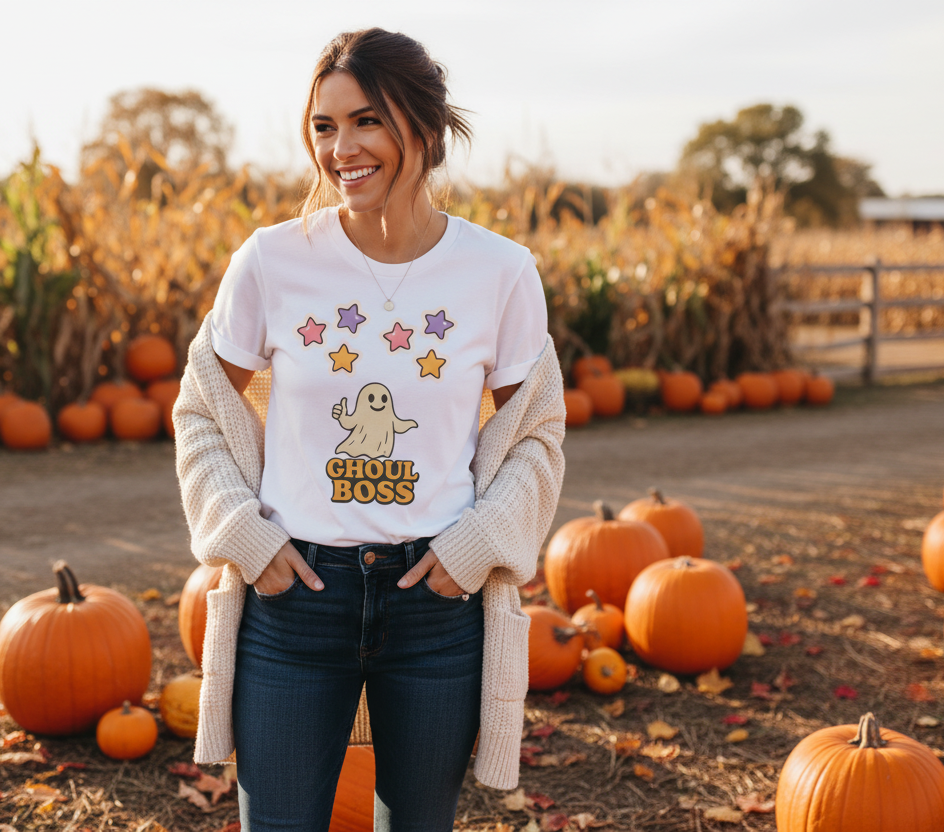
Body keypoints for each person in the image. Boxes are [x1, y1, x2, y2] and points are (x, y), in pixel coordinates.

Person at [172, 27, 566, 831]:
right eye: (324, 126)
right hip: (294, 603)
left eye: (366, 122)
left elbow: (536, 434)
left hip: (435, 605)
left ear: (421, 126)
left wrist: (474, 549)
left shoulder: (500, 273)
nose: (340, 148)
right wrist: (248, 540)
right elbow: (202, 409)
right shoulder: (272, 261)